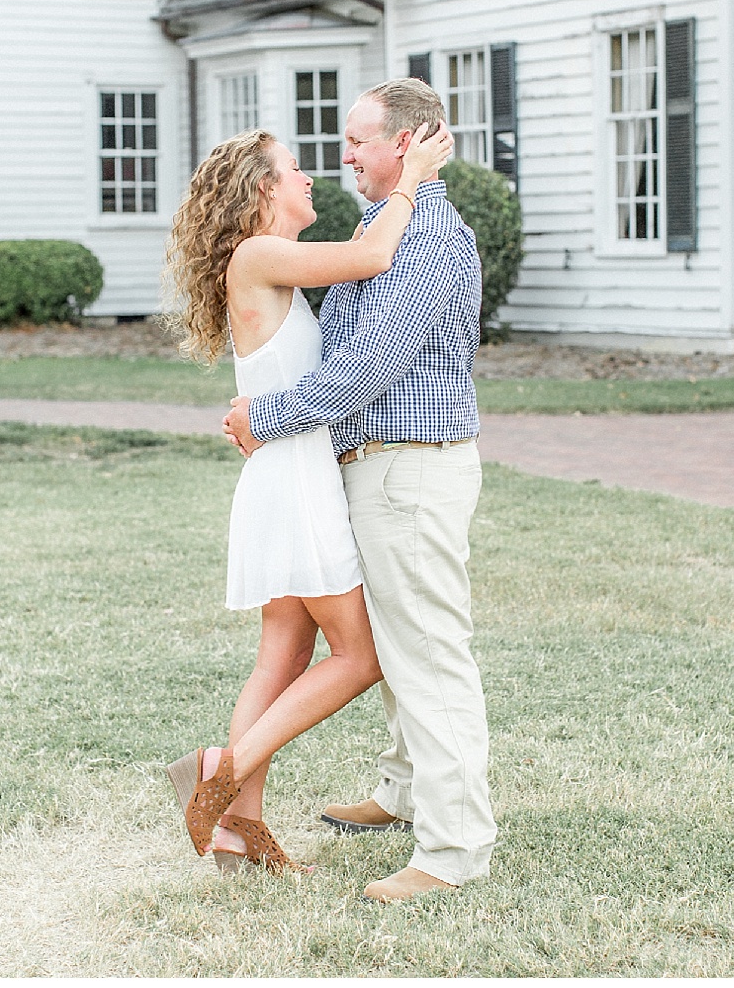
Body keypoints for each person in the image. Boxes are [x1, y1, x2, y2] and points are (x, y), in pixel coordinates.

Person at [223, 77, 492, 903]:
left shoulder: (429, 237)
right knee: (393, 643)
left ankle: (451, 852)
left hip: (409, 463)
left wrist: (270, 414)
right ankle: (404, 791)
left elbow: (368, 365)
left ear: (408, 143)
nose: (343, 157)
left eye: (357, 141)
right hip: (364, 465)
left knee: (428, 654)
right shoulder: (382, 224)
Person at [163, 118, 454, 876]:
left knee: (284, 652)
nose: (310, 179)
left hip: (282, 467)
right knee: (359, 656)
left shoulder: (266, 262)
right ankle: (222, 770)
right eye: (293, 170)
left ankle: (241, 829)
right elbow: (373, 254)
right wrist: (415, 174)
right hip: (294, 476)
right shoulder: (262, 253)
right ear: (265, 189)